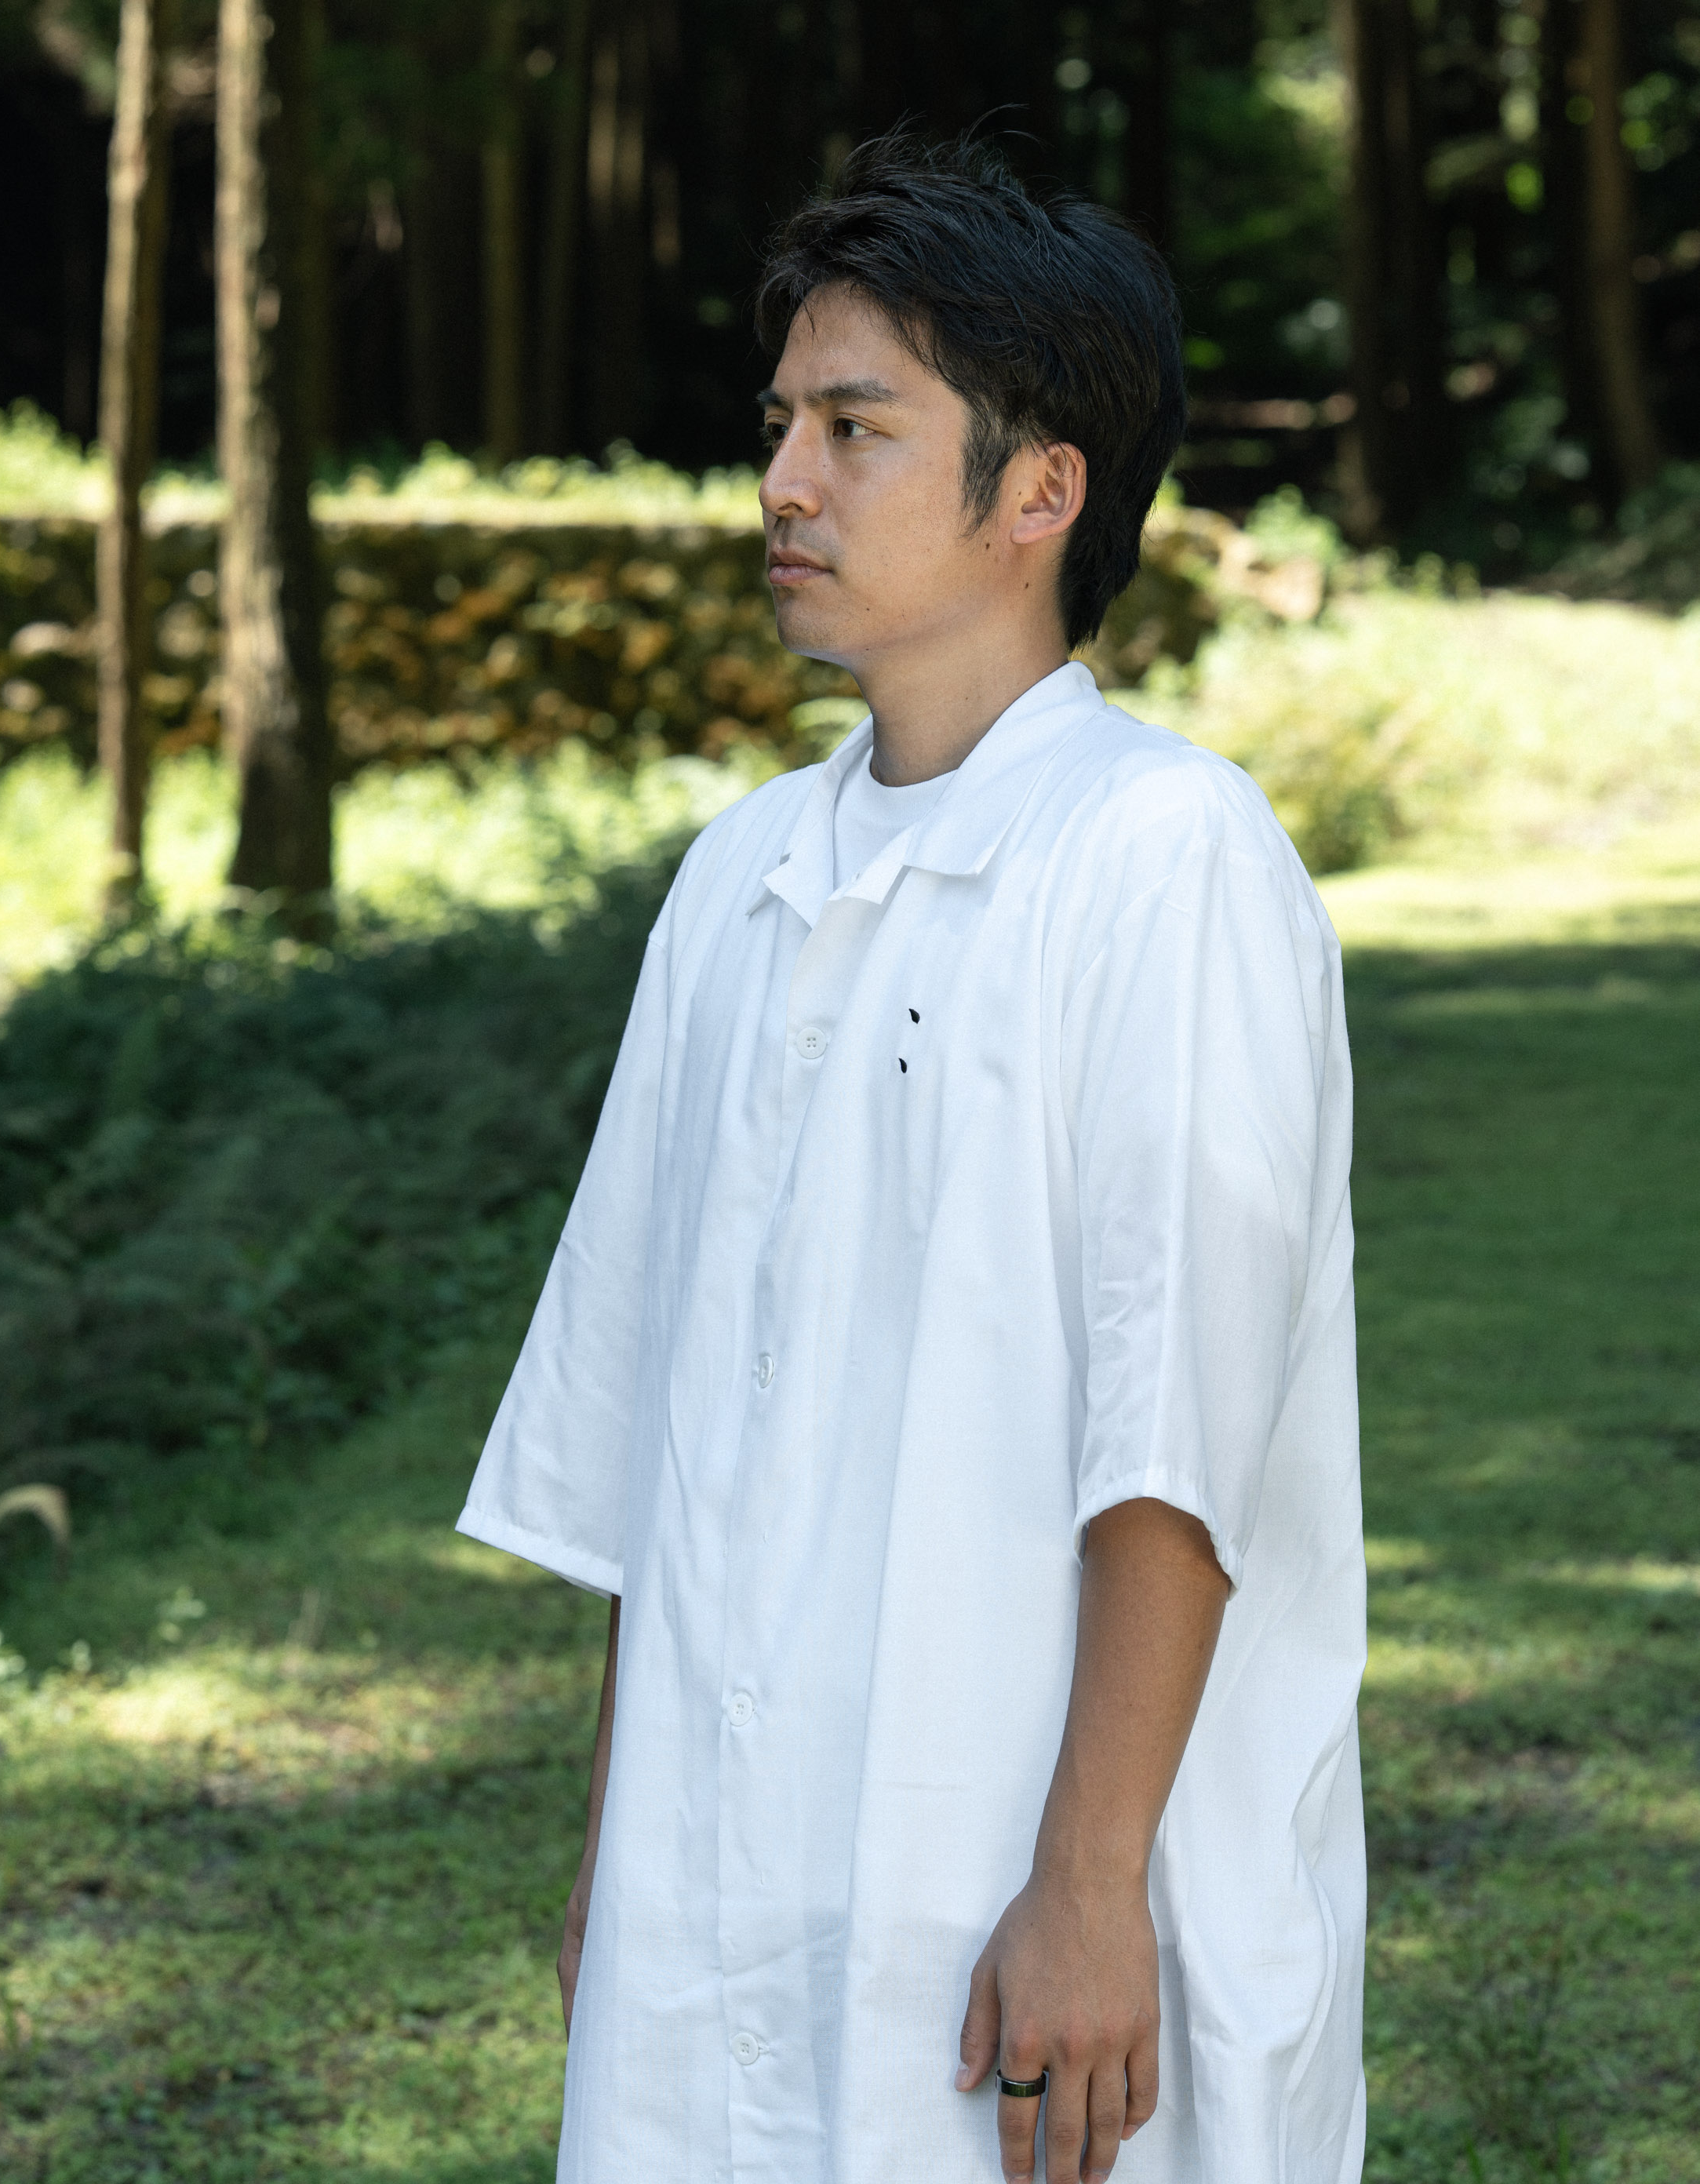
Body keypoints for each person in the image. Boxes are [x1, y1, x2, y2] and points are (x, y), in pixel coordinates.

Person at [457, 133, 1366, 2184]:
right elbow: (657, 1447)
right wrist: (620, 1872)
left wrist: (1090, 1886)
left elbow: (1178, 1438)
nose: (782, 481)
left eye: (855, 428)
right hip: (722, 1888)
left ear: (1041, 492)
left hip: (1019, 1897)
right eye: (779, 422)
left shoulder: (1163, 858)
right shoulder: (739, 876)